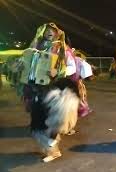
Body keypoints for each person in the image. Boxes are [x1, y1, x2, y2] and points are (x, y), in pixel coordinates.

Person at [17, 23, 80, 162]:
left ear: (57, 33)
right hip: (35, 89)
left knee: (53, 122)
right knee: (37, 122)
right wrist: (20, 66)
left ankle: (52, 149)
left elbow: (72, 68)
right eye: (47, 30)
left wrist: (57, 72)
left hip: (55, 89)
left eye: (52, 30)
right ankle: (52, 149)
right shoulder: (34, 48)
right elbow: (25, 64)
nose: (49, 32)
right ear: (42, 32)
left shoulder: (63, 49)